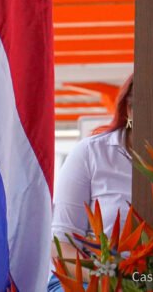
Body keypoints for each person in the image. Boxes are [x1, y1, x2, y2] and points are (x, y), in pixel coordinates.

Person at [48, 75, 133, 290]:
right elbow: (60, 245)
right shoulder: (91, 153)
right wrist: (111, 279)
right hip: (88, 279)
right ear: (129, 110)